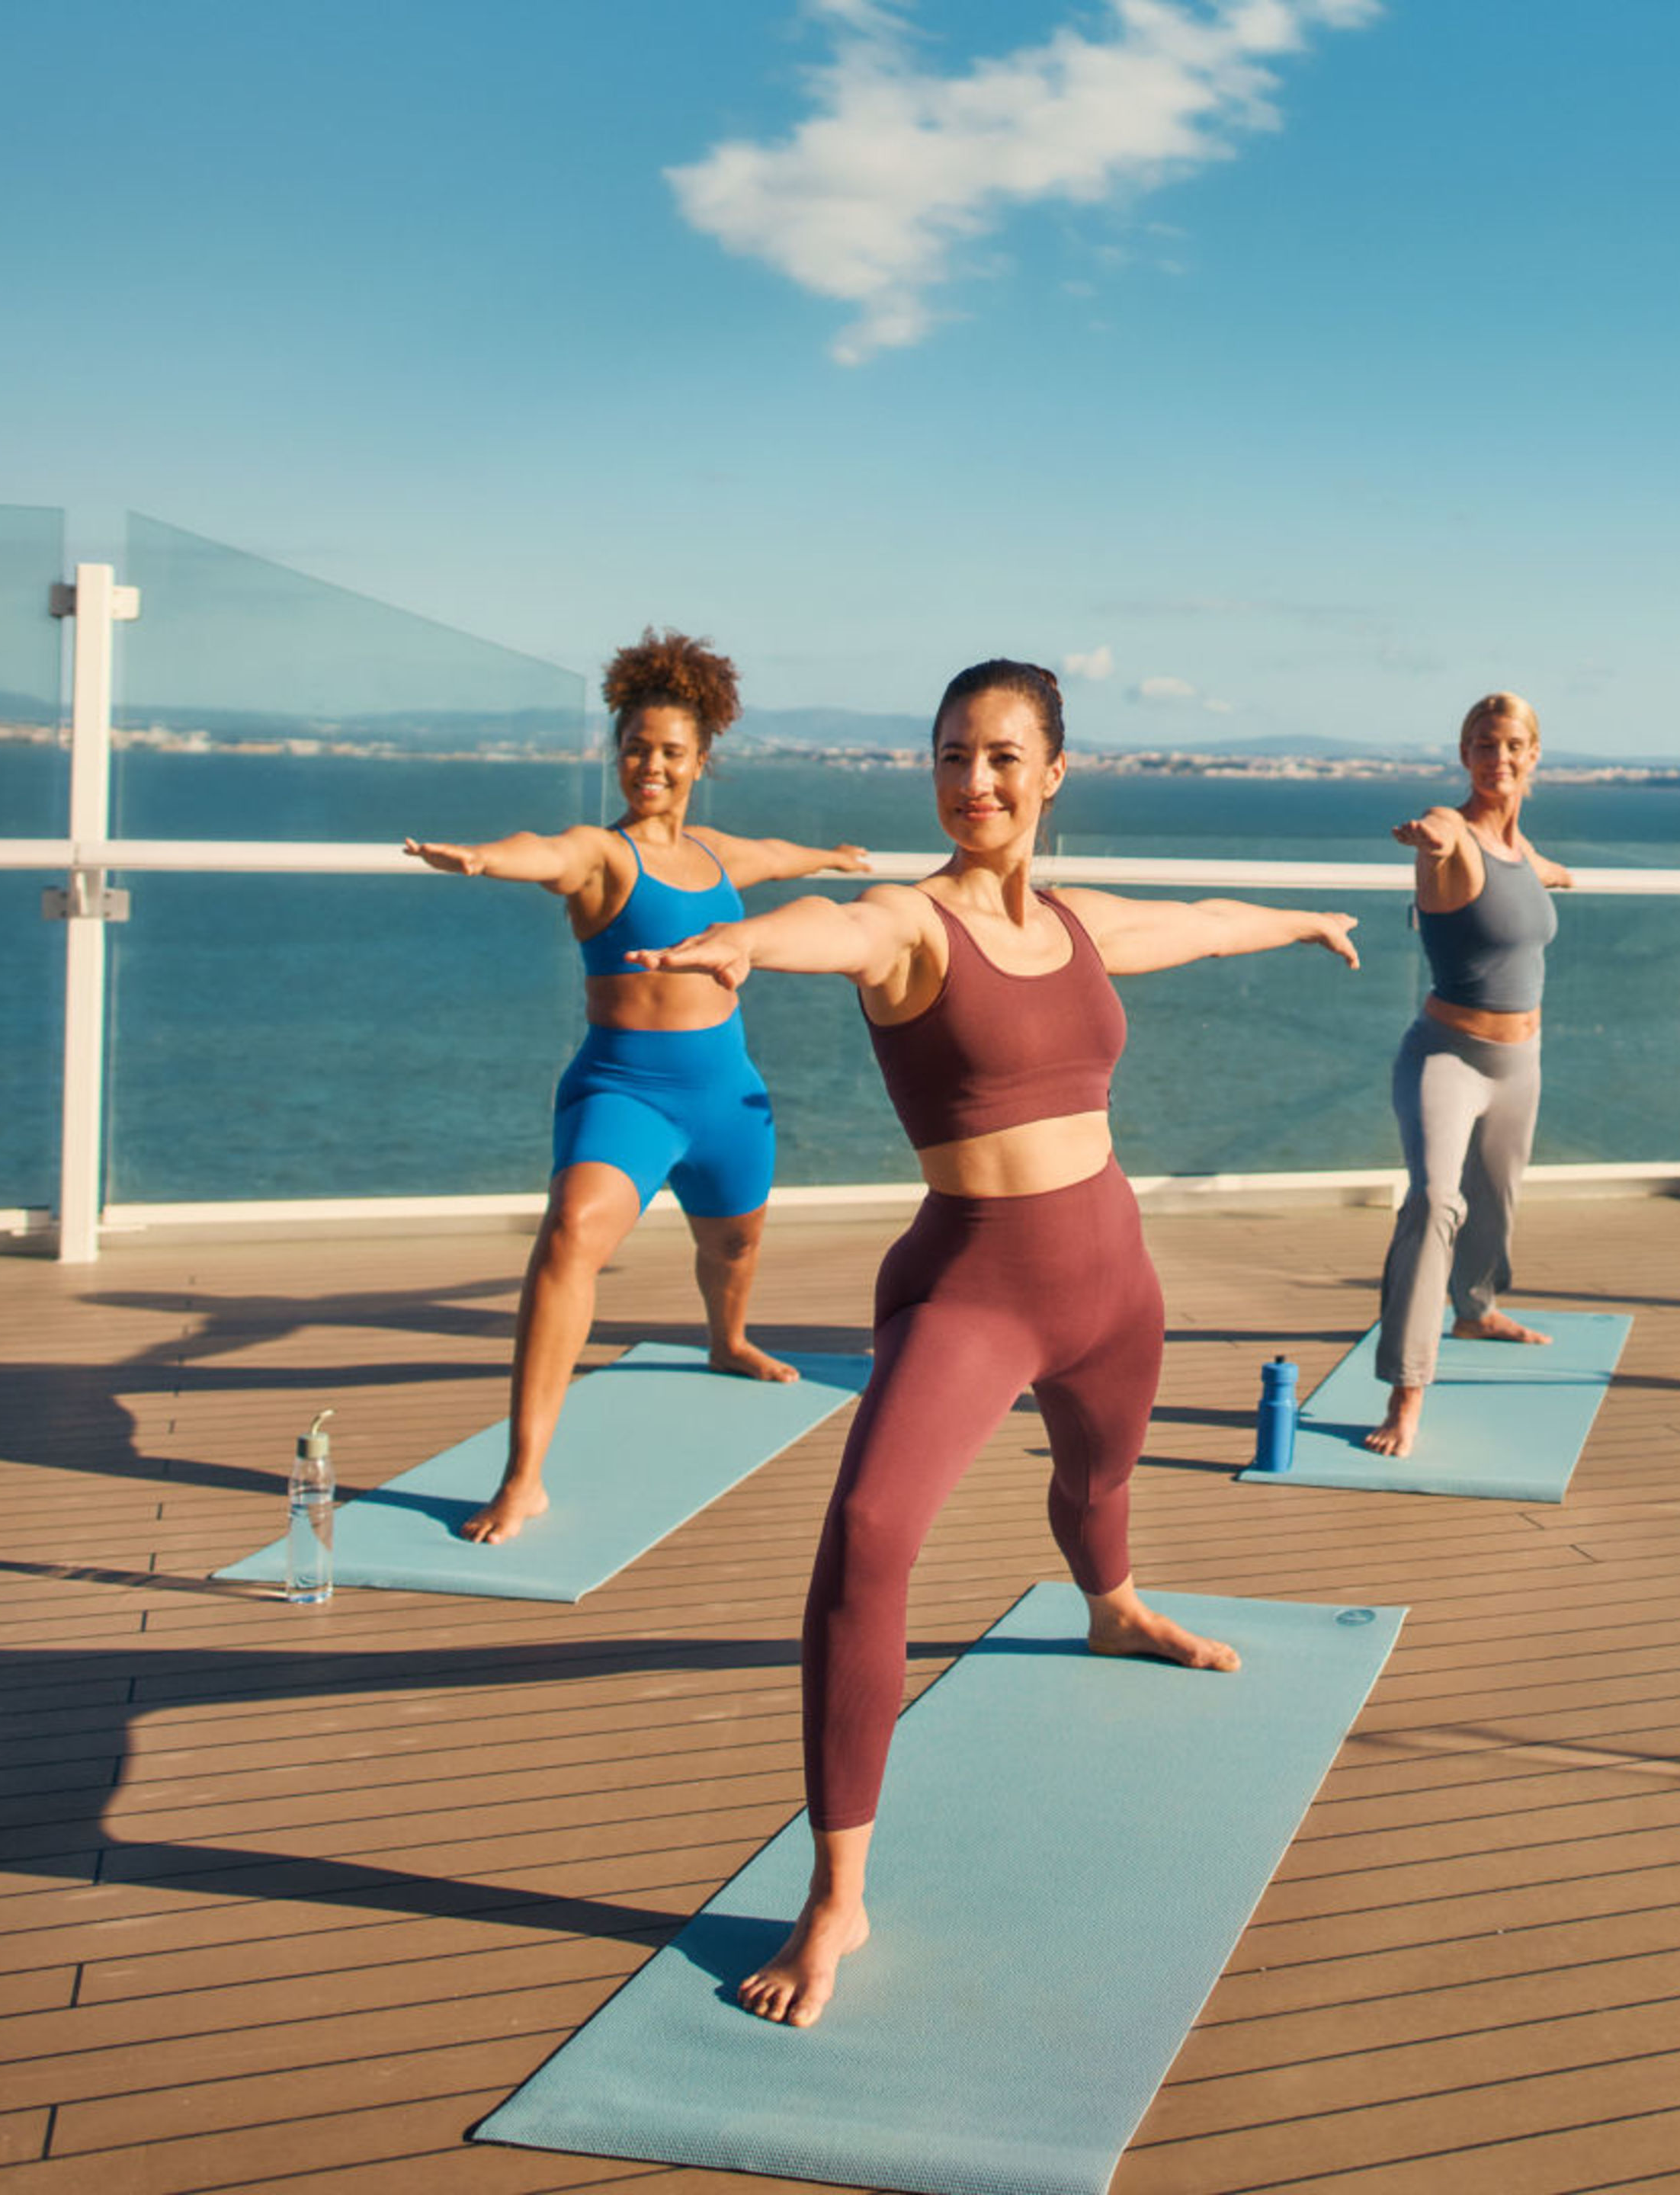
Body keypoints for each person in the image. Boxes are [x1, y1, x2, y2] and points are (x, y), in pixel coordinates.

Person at [629, 658, 1361, 2027]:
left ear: (1053, 772)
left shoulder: (1076, 921)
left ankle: (1112, 1608)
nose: (975, 782)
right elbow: (835, 926)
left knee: (1099, 1480)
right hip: (973, 1287)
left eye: (1004, 757)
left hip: (1113, 1275)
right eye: (954, 756)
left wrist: (1303, 918)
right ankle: (837, 1897)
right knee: (869, 1534)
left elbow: (1199, 925)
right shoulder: (914, 921)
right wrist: (744, 945)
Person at [402, 629, 867, 1542]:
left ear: (701, 761)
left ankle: (727, 1341)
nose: (651, 765)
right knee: (570, 1238)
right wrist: (483, 858)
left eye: (670, 752)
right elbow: (545, 851)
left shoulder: (720, 854)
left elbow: (775, 853)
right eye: (635, 748)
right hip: (625, 1093)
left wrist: (832, 857)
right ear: (617, 753)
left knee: (734, 1247)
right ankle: (524, 1477)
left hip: (727, 1095)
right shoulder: (603, 855)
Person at [1364, 690, 1576, 1460]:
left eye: (1514, 745)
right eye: (1485, 745)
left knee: (1495, 1203)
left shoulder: (1522, 852)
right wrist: (1429, 838)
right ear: (1465, 754)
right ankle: (1407, 1390)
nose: (1500, 758)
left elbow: (1537, 873)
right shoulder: (1450, 835)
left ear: (1534, 755)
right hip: (1447, 1057)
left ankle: (1477, 1311)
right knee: (1434, 1203)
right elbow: (1447, 836)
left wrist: (1564, 877)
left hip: (1521, 1064)